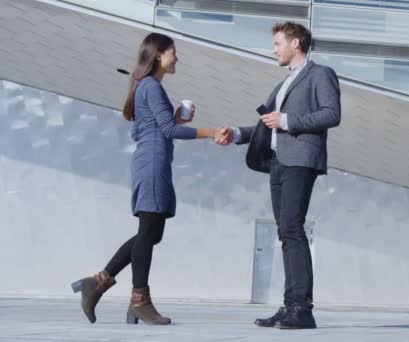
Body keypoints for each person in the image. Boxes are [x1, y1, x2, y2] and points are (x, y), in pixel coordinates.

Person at [71, 32, 222, 325]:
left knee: (151, 234)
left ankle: (99, 281)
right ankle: (139, 299)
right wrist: (211, 132)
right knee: (149, 231)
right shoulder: (151, 87)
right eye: (172, 52)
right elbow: (166, 131)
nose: (176, 57)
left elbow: (159, 127)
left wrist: (176, 119)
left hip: (154, 163)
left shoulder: (149, 88)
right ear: (157, 55)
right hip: (152, 165)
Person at [216, 21, 341, 329]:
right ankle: (290, 305)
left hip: (301, 159)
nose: (274, 49)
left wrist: (288, 120)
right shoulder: (283, 84)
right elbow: (266, 124)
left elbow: (332, 114)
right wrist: (235, 133)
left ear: (295, 43)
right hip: (278, 162)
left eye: (277, 43)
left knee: (292, 228)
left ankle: (303, 308)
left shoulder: (320, 74)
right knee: (286, 232)